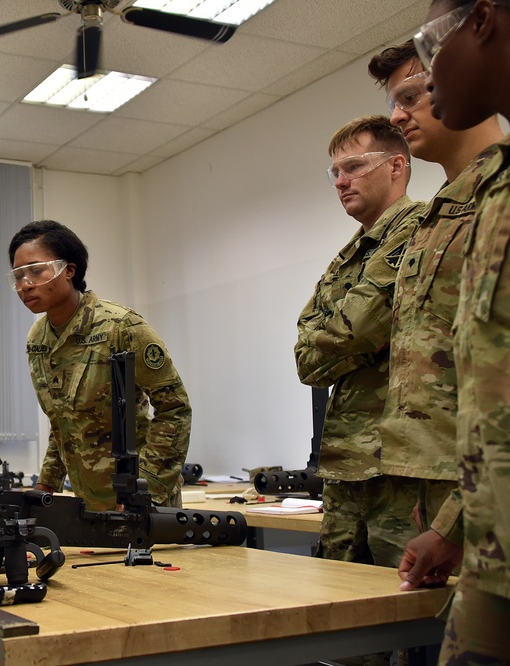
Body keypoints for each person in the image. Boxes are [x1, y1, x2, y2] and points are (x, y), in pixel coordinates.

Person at [394, 1, 510, 662]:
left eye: (433, 45)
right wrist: (458, 525)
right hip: (493, 556)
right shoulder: (496, 189)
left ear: (485, 20)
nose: (432, 77)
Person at [367, 39, 504, 557]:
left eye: (410, 96)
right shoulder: (435, 215)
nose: (398, 118)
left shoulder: (496, 195)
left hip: (480, 486)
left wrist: (456, 518)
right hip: (423, 475)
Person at [295, 116, 426, 570]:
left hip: (397, 468)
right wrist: (347, 342)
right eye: (334, 172)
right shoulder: (351, 254)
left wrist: (341, 341)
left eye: (353, 166)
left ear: (396, 166)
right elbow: (307, 361)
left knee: (405, 614)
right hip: (346, 464)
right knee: (341, 612)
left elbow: (350, 331)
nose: (341, 181)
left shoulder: (418, 231)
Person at [6, 220, 192, 511]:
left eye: (36, 271)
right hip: (87, 501)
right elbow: (63, 422)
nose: (24, 285)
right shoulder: (38, 337)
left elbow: (175, 409)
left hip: (142, 504)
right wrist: (46, 485)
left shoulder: (121, 326)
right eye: (18, 276)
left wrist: (146, 489)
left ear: (69, 270)